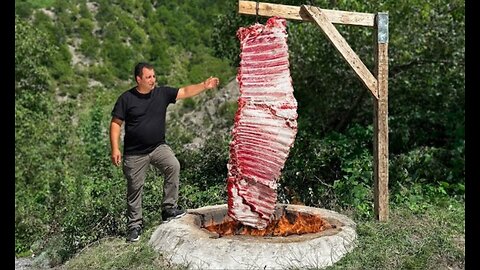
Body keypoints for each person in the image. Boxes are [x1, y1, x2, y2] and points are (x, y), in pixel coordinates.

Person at [110, 62, 220, 242]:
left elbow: (184, 92)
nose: (153, 80)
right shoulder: (126, 99)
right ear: (139, 79)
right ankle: (134, 227)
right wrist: (115, 148)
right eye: (148, 77)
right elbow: (115, 124)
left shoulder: (161, 94)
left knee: (173, 165)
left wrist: (204, 85)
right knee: (135, 189)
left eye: (154, 76)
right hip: (134, 153)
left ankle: (169, 209)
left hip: (157, 147)